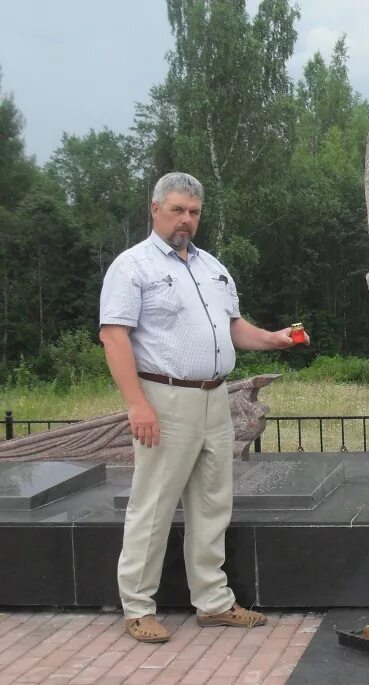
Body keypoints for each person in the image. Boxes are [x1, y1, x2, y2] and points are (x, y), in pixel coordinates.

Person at [99, 172, 309, 643]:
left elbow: (234, 328)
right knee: (153, 504)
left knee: (213, 503)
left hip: (217, 396)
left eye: (193, 212)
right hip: (164, 397)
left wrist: (273, 339)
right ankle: (137, 607)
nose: (186, 220)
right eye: (177, 210)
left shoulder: (212, 267)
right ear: (155, 210)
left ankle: (213, 602)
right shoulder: (132, 267)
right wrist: (137, 406)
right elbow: (114, 336)